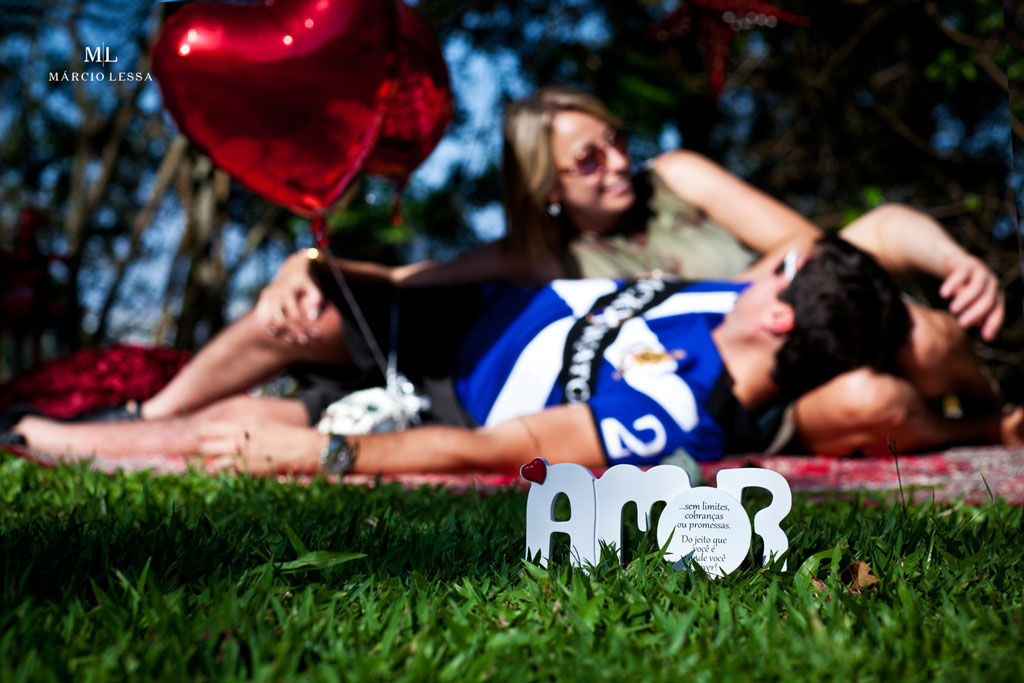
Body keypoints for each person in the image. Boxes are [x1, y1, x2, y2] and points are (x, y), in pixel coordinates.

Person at [53, 88, 1009, 455]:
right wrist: (306, 261)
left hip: (788, 346)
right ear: (548, 192)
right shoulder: (538, 258)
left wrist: (955, 259)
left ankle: (995, 410)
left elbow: (845, 241)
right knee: (296, 335)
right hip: (589, 355)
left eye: (616, 142)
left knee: (905, 353)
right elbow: (417, 277)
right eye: (587, 160)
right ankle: (147, 420)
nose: (619, 164)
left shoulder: (686, 187)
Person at [12, 238, 917, 474]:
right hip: (449, 318)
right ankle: (142, 415)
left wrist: (331, 454)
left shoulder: (679, 415)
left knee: (242, 433)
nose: (768, 267)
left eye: (784, 273)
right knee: (304, 300)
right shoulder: (724, 298)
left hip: (446, 399)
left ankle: (41, 436)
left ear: (784, 322)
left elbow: (501, 448)